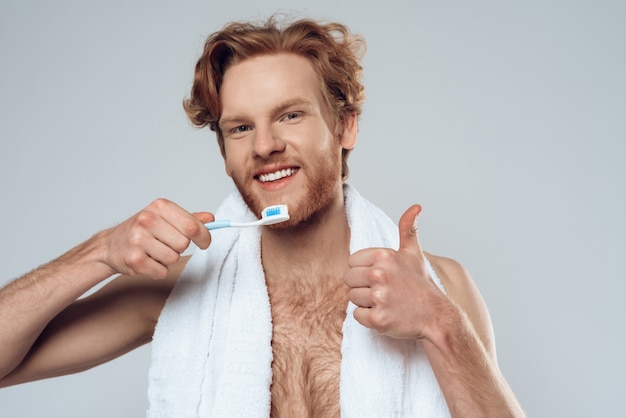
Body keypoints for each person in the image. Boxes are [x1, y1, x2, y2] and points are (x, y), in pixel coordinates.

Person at [0, 16, 526, 417]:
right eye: (240, 128)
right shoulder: (178, 293)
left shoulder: (441, 289)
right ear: (224, 148)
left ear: (345, 128)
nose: (266, 146)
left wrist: (439, 325)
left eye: (290, 115)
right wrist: (99, 252)